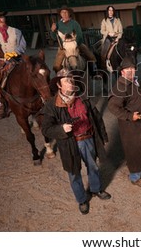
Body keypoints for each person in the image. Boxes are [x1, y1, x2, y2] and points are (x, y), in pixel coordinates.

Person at [41, 69, 111, 215]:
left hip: (88, 138)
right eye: (66, 80)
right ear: (59, 85)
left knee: (93, 167)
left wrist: (103, 136)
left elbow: (97, 118)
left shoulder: (83, 97)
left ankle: (96, 189)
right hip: (69, 144)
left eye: (72, 80)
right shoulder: (52, 105)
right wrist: (61, 129)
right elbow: (46, 129)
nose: (71, 83)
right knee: (74, 172)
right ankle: (82, 200)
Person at [108, 57, 141, 187]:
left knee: (140, 149)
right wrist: (129, 116)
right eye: (127, 69)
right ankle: (135, 178)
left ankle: (139, 171)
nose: (131, 71)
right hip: (131, 126)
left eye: (133, 68)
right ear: (122, 72)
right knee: (135, 150)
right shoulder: (121, 86)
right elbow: (113, 107)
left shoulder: (133, 82)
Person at [0, 10, 26, 120]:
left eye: (1, 17)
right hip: (1, 62)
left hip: (16, 59)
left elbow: (22, 46)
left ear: (4, 18)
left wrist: (15, 52)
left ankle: (40, 100)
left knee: (32, 76)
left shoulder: (16, 31)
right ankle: (1, 105)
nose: (0, 20)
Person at [50, 6, 97, 73]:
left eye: (66, 12)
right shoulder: (57, 24)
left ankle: (93, 72)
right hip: (63, 47)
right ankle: (59, 78)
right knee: (56, 65)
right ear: (60, 14)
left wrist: (75, 44)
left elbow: (80, 35)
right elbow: (54, 37)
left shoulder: (75, 23)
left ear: (69, 13)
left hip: (76, 44)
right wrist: (52, 30)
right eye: (62, 12)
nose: (64, 14)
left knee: (90, 55)